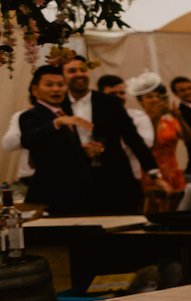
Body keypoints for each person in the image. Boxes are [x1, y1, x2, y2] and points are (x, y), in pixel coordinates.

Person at [64, 57, 157, 213]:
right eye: (72, 71)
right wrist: (80, 150)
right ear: (63, 76)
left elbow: (132, 137)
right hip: (75, 180)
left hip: (114, 176)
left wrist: (153, 171)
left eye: (83, 70)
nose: (79, 74)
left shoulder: (109, 102)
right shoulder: (59, 105)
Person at [18, 63, 94, 214]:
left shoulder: (63, 114)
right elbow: (28, 140)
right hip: (51, 192)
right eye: (49, 85)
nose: (56, 89)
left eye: (60, 84)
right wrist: (56, 123)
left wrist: (85, 151)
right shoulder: (31, 115)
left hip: (75, 191)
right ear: (35, 90)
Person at [132, 74, 187, 197]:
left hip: (173, 172)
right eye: (149, 96)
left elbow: (189, 139)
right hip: (151, 173)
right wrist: (155, 119)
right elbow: (147, 147)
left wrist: (179, 117)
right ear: (141, 101)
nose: (155, 100)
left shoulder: (169, 122)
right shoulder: (137, 122)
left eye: (158, 96)